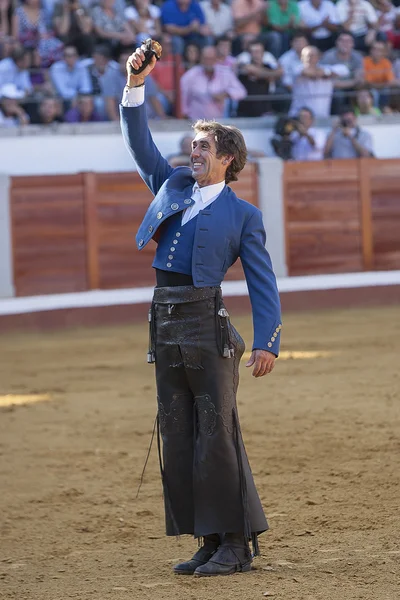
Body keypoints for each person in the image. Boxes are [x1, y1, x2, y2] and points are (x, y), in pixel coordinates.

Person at [120, 42, 281, 578]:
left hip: (207, 327)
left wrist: (267, 340)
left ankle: (236, 542)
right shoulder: (172, 186)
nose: (193, 152)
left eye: (203, 145)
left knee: (216, 432)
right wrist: (135, 84)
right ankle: (209, 540)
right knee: (180, 431)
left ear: (228, 156)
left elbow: (262, 281)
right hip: (164, 323)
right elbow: (139, 142)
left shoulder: (244, 215)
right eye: (191, 144)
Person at [180, 44, 246, 119]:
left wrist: (226, 94)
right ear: (201, 59)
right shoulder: (190, 75)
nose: (208, 62)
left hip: (220, 123)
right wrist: (184, 116)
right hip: (195, 122)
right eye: (206, 59)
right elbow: (183, 97)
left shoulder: (226, 73)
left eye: (211, 59)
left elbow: (241, 92)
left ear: (216, 59)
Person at [289, 45, 349, 117]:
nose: (309, 58)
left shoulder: (326, 68)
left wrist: (326, 73)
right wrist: (325, 74)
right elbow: (308, 73)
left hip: (322, 116)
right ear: (302, 58)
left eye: (313, 56)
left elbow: (345, 70)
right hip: (298, 116)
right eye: (307, 56)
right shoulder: (297, 68)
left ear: (319, 57)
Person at [320, 32, 365, 113]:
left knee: (365, 94)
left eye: (348, 41)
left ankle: (363, 117)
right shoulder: (328, 57)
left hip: (352, 87)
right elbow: (329, 82)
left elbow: (359, 78)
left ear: (353, 44)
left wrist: (355, 82)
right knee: (338, 95)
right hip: (334, 89)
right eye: (342, 41)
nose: (345, 44)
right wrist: (353, 82)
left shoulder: (357, 56)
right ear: (337, 42)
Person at [236, 40, 283, 116]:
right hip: (245, 111)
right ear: (249, 53)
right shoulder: (243, 66)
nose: (256, 54)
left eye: (258, 51)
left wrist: (261, 73)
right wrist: (270, 74)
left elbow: (280, 72)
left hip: (265, 110)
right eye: (253, 52)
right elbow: (252, 70)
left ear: (263, 53)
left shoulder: (268, 66)